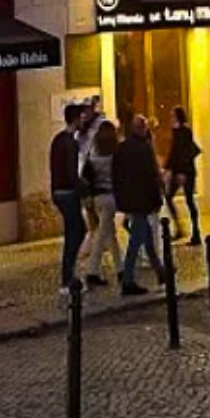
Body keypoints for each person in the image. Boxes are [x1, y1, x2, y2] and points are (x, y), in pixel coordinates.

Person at [113, 115, 166, 296]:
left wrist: (120, 199)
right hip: (142, 201)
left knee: (147, 238)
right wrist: (157, 200)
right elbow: (151, 177)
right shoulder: (145, 149)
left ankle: (160, 271)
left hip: (129, 200)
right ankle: (128, 280)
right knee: (136, 241)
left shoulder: (121, 149)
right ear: (141, 129)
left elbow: (116, 176)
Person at [49, 103, 91, 297]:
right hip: (68, 192)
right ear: (75, 119)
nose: (83, 121)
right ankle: (67, 277)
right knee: (78, 231)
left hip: (58, 191)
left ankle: (69, 275)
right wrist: (83, 189)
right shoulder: (70, 143)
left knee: (73, 231)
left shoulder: (57, 140)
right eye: (81, 118)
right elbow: (71, 173)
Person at [80, 119, 122, 288]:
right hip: (112, 197)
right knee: (102, 235)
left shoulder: (93, 154)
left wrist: (87, 197)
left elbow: (85, 177)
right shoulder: (116, 154)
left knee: (108, 234)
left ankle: (121, 268)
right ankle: (92, 271)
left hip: (97, 198)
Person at [164, 106, 202, 245]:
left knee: (189, 200)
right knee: (169, 197)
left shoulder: (185, 131)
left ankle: (195, 233)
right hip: (179, 171)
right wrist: (167, 169)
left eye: (172, 115)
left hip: (186, 172)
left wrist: (181, 172)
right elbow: (174, 153)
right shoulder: (176, 132)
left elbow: (184, 153)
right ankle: (180, 228)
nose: (170, 118)